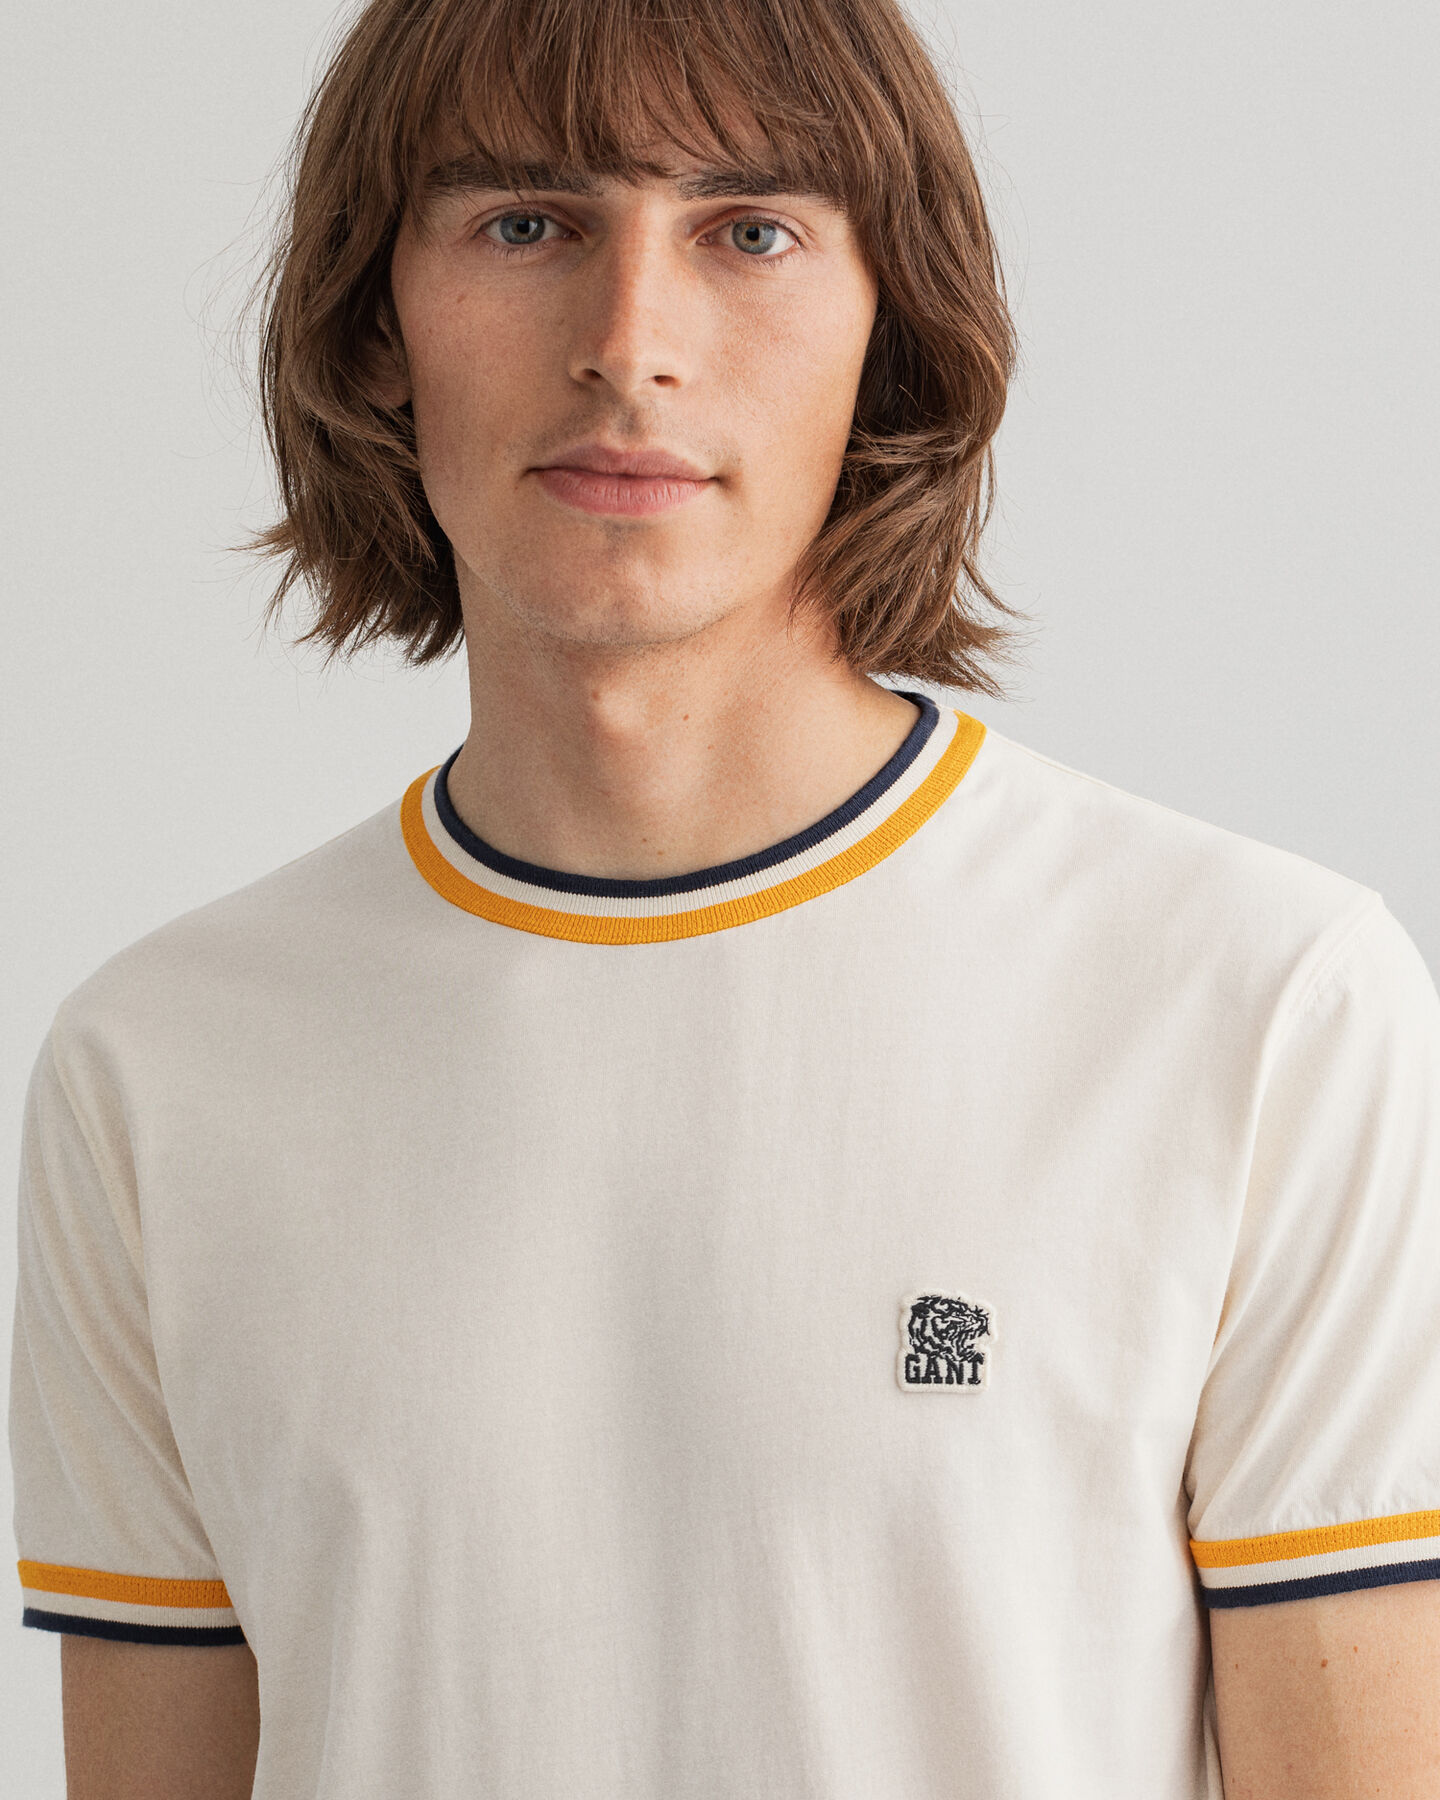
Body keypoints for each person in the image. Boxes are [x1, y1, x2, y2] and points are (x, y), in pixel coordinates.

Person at [10, 0, 1440, 1794]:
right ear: (376, 327)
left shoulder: (1262, 1004)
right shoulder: (157, 1072)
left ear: (888, 330)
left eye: (749, 231)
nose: (631, 344)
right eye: (525, 223)